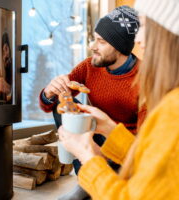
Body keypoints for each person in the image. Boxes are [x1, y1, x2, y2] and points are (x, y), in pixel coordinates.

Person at [58, 0, 179, 199]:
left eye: (144, 25)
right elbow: (156, 163)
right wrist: (110, 128)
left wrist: (88, 157)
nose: (138, 39)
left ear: (168, 31)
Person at [39, 5, 145, 200]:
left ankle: (97, 180)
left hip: (125, 150)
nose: (92, 46)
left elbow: (145, 143)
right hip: (95, 135)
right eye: (94, 39)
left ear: (120, 47)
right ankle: (84, 181)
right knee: (62, 105)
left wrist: (109, 144)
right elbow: (49, 103)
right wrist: (50, 91)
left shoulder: (145, 78)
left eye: (101, 42)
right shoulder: (89, 66)